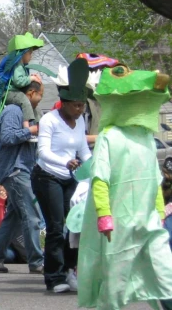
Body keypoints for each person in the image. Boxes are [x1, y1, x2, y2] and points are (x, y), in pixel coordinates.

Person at [77, 64, 172, 309]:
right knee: (114, 287)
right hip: (118, 227)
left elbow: (154, 180)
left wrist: (159, 212)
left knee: (166, 275)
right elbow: (100, 179)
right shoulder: (109, 136)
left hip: (149, 224)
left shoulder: (147, 138)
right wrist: (104, 216)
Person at [31, 58, 92, 294]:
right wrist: (66, 161)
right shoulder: (49, 120)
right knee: (56, 226)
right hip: (47, 176)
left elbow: (83, 150)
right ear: (63, 103)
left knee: (74, 226)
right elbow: (43, 152)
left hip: (69, 178)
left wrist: (94, 167)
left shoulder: (78, 123)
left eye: (82, 106)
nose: (80, 110)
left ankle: (69, 270)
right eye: (76, 106)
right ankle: (54, 277)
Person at [0, 81, 44, 274]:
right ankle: (36, 261)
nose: (40, 100)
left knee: (15, 217)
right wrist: (31, 131)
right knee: (32, 216)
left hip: (24, 168)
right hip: (14, 170)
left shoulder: (29, 114)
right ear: (31, 93)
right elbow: (8, 137)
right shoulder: (13, 111)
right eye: (40, 95)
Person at [0, 32, 44, 126]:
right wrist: (30, 78)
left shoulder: (22, 67)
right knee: (24, 100)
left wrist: (31, 77)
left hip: (15, 93)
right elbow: (18, 82)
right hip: (9, 92)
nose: (31, 56)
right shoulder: (17, 66)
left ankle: (38, 125)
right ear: (23, 53)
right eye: (30, 53)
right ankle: (27, 127)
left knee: (32, 104)